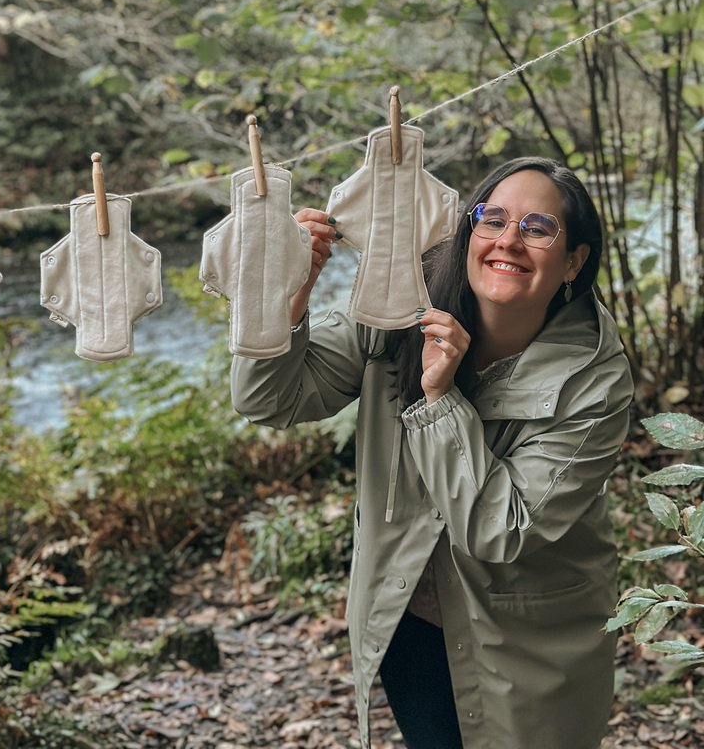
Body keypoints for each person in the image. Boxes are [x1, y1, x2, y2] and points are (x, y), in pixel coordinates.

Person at [230, 156, 634, 749]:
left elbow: (500, 530)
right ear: (468, 231)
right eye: (491, 219)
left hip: (528, 645)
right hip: (407, 620)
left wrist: (440, 396)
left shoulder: (594, 380)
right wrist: (288, 294)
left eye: (538, 227)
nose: (508, 241)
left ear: (575, 259)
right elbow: (272, 398)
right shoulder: (401, 302)